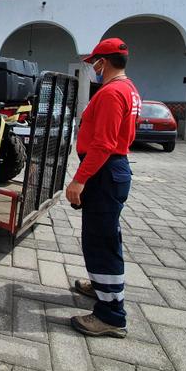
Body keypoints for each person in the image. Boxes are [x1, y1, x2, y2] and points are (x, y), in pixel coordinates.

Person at [65, 37, 141, 338]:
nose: (93, 68)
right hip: (112, 170)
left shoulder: (111, 93)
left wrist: (79, 179)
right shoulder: (129, 88)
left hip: (104, 172)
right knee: (105, 237)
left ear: (104, 62)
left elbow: (104, 144)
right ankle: (101, 289)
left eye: (94, 62)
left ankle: (111, 316)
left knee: (101, 242)